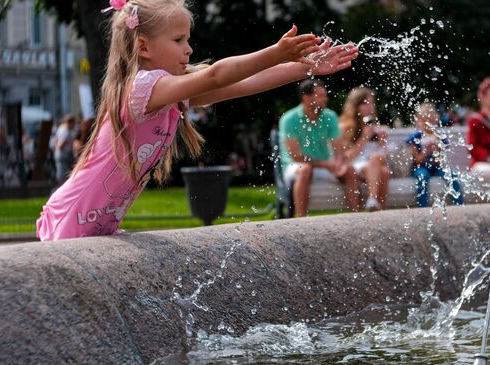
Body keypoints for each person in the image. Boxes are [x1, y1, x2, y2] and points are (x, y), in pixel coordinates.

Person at [36, 0, 358, 241]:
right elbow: (218, 74)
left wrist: (306, 68)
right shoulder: (141, 89)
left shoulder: (168, 92)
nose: (189, 49)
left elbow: (241, 84)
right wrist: (275, 52)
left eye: (187, 40)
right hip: (72, 221)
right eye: (178, 41)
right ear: (143, 46)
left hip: (97, 225)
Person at [280, 79, 360, 217]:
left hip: (323, 166)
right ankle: (301, 220)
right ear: (306, 97)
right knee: (305, 169)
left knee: (349, 169)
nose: (326, 99)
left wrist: (340, 164)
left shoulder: (330, 116)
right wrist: (326, 165)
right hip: (296, 166)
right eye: (321, 95)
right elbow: (296, 155)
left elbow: (338, 148)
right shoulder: (289, 119)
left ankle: (356, 217)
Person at [338, 87, 390, 211]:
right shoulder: (345, 128)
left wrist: (382, 143)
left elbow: (386, 155)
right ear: (355, 106)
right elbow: (346, 158)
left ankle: (372, 202)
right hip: (355, 166)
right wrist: (364, 137)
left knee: (378, 162)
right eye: (365, 103)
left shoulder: (377, 128)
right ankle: (377, 211)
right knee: (383, 172)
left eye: (372, 103)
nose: (370, 107)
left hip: (373, 166)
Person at [407, 102, 463, 207]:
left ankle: (459, 205)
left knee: (452, 175)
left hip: (436, 167)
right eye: (425, 121)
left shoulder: (438, 135)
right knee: (422, 177)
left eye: (432, 121)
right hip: (420, 167)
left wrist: (437, 149)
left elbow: (442, 160)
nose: (429, 125)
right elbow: (417, 160)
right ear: (419, 121)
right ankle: (422, 208)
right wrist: (425, 151)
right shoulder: (415, 137)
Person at [53, 114, 77, 184]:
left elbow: (55, 139)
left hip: (58, 154)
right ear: (70, 122)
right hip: (64, 155)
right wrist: (60, 146)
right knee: (63, 174)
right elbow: (61, 145)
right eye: (73, 123)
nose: (74, 125)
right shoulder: (66, 132)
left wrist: (56, 147)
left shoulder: (60, 128)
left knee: (61, 172)